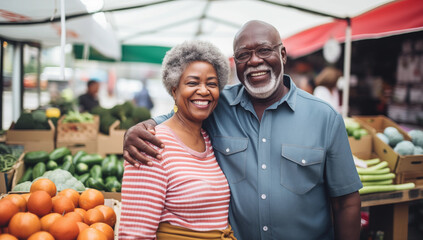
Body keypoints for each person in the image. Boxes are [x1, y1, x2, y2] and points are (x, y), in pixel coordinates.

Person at [124, 20, 362, 240]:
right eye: (243, 55)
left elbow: (346, 203)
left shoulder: (324, 117)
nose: (254, 60)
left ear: (282, 54)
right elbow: (181, 114)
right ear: (235, 63)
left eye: (264, 50)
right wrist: (140, 128)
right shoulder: (218, 104)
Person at [118, 40, 236, 240]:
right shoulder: (150, 144)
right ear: (174, 90)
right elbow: (134, 234)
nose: (204, 90)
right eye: (192, 83)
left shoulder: (208, 140)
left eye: (211, 84)